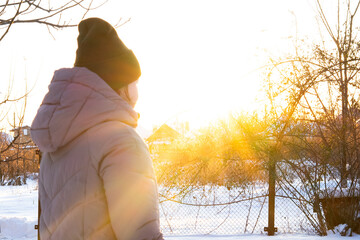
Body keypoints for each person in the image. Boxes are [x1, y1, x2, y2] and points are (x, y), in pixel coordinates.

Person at [31, 18, 164, 240]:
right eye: (135, 83)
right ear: (120, 86)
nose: (138, 91)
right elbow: (141, 233)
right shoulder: (120, 140)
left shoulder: (56, 141)